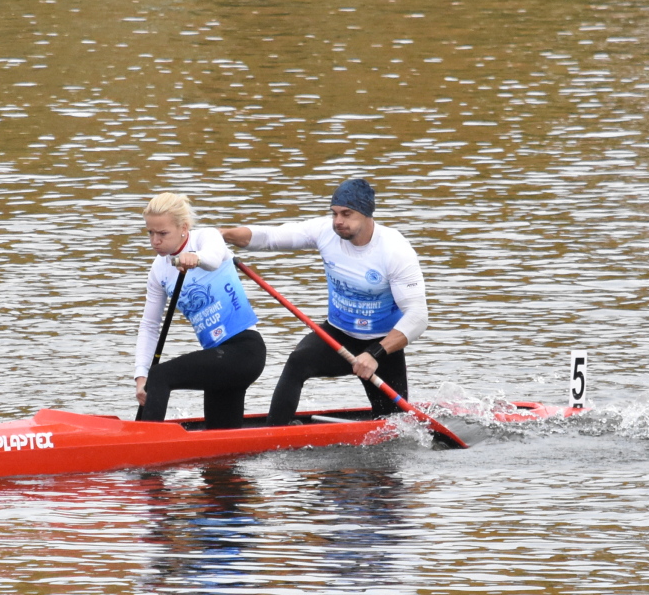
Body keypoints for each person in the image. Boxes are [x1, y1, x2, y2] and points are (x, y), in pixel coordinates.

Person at [221, 177, 428, 425]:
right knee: (298, 362)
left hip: (383, 345)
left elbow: (418, 316)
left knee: (393, 426)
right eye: (334, 213)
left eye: (346, 214)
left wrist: (374, 353)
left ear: (366, 214)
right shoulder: (325, 232)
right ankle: (274, 432)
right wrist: (220, 235)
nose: (338, 221)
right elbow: (268, 237)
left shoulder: (395, 250)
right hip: (337, 335)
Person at [133, 192, 267, 429]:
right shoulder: (158, 270)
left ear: (183, 228)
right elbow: (150, 326)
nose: (155, 241)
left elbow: (213, 259)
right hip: (218, 358)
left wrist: (195, 258)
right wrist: (141, 376)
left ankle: (144, 445)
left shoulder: (206, 237)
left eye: (162, 233)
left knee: (161, 375)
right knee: (222, 438)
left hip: (245, 351)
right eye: (150, 233)